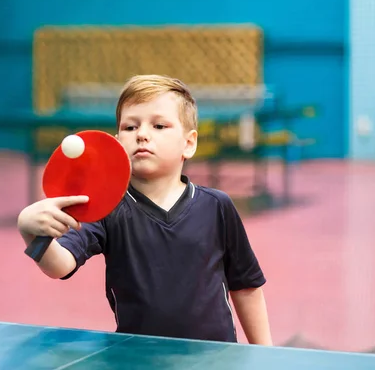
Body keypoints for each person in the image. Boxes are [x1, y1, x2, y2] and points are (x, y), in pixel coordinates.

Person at [17, 74, 272, 345]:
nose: (142, 134)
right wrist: (31, 232)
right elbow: (60, 265)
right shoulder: (107, 209)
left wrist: (267, 354)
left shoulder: (218, 206)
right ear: (117, 143)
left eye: (159, 125)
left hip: (214, 358)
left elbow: (246, 287)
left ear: (189, 143)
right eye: (130, 127)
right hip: (137, 358)